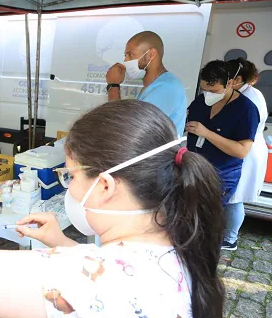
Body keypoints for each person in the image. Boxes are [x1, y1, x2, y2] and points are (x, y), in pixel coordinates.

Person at [0, 100, 225, 318]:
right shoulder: (178, 243)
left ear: (106, 186)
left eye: (71, 175)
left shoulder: (79, 277)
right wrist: (63, 245)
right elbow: (101, 281)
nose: (69, 186)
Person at [186, 60, 259, 251]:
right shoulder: (201, 102)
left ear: (229, 83)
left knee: (208, 222)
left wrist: (207, 133)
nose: (208, 95)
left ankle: (204, 258)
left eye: (214, 91)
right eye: (204, 89)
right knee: (188, 216)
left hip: (221, 175)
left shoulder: (246, 109)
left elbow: (242, 150)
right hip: (193, 168)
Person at [106, 31, 187, 137]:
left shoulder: (167, 87)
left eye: (130, 55)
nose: (125, 60)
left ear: (151, 54)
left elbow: (125, 128)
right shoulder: (152, 86)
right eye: (125, 55)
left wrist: (113, 85)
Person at [224, 58, 268, 249]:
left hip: (246, 150)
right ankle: (227, 235)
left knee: (236, 197)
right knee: (234, 196)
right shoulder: (249, 93)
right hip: (248, 146)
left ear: (238, 78)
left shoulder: (248, 98)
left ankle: (230, 239)